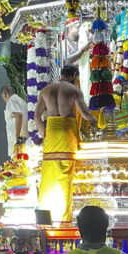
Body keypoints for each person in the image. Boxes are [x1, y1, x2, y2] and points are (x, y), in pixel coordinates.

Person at [35, 63, 95, 221]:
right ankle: (63, 216)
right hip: (67, 134)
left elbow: (37, 115)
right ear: (74, 76)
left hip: (51, 133)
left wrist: (44, 133)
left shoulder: (46, 90)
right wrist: (97, 122)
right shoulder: (74, 90)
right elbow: (86, 114)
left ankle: (47, 214)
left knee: (49, 172)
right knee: (65, 174)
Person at [0, 85, 28, 159]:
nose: (4, 101)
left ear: (5, 94)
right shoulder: (20, 100)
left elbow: (19, 115)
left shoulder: (11, 101)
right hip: (25, 138)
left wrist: (17, 137)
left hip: (19, 142)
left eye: (3, 98)